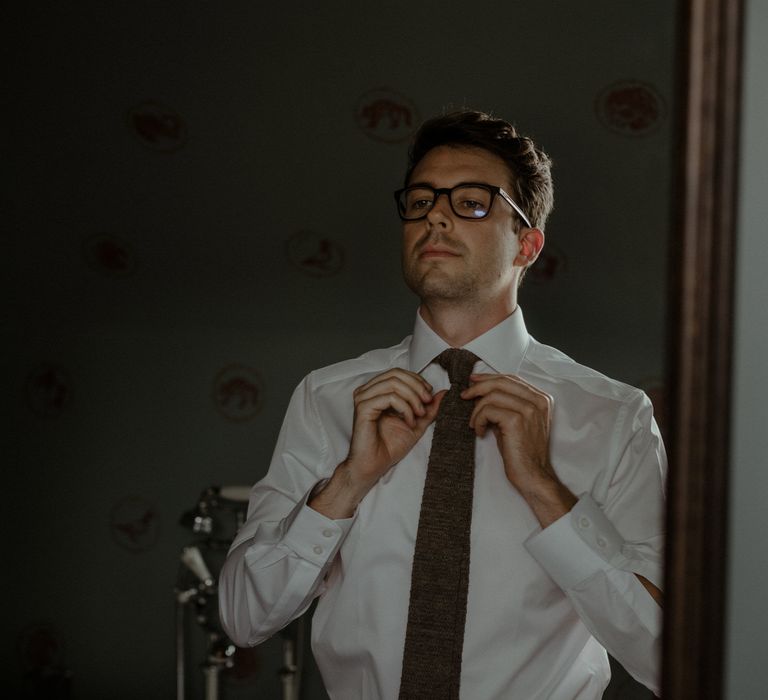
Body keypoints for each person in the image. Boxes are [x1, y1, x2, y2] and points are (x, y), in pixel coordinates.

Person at [218, 110, 666, 700]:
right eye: (423, 199)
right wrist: (348, 483)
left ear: (527, 244)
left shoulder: (613, 416)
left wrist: (544, 489)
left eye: (472, 202)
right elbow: (243, 618)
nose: (435, 214)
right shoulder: (328, 398)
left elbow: (672, 657)